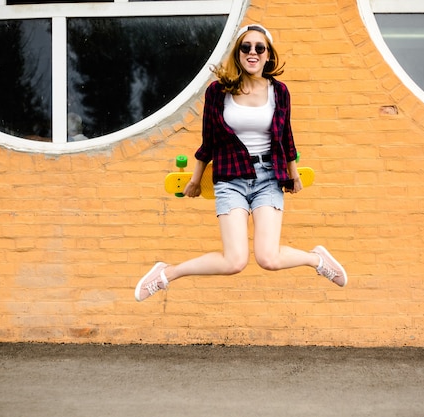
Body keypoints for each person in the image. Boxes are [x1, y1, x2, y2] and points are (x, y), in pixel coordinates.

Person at [135, 24, 347, 302]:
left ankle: (316, 260)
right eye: (246, 47)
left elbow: (287, 137)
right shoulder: (217, 92)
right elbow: (208, 141)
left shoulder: (279, 92)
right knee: (234, 262)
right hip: (230, 179)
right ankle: (167, 273)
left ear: (268, 55)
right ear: (238, 53)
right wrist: (196, 181)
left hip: (269, 177)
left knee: (268, 258)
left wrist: (293, 174)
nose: (253, 52)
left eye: (260, 48)